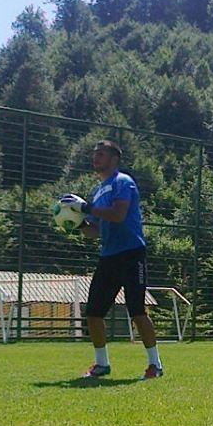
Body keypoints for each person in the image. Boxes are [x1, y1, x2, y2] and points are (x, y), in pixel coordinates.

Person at [61, 140, 164, 380]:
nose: (95, 158)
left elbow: (118, 215)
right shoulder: (98, 191)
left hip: (131, 254)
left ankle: (155, 365)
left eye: (101, 154)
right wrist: (76, 224)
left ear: (114, 159)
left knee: (137, 310)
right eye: (95, 154)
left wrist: (86, 208)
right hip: (108, 257)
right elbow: (96, 230)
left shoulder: (123, 182)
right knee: (94, 313)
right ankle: (102, 365)